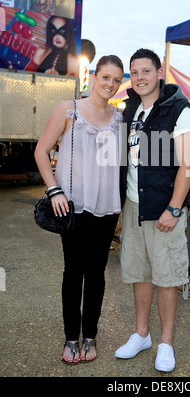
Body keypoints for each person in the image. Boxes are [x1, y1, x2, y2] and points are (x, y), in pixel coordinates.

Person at [34, 54, 124, 364]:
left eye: (116, 79)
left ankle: (90, 336)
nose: (110, 84)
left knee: (97, 273)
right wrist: (53, 189)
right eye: (105, 77)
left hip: (107, 207)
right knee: (73, 271)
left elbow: (115, 163)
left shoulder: (119, 119)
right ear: (94, 76)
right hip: (72, 205)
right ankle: (71, 338)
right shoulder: (68, 110)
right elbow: (41, 151)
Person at [115, 48, 190, 372]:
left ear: (159, 73)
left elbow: (188, 165)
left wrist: (174, 209)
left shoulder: (178, 109)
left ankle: (165, 342)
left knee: (167, 277)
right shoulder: (131, 109)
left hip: (164, 209)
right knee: (140, 273)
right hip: (134, 205)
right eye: (134, 73)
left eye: (146, 71)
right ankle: (141, 334)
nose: (139, 78)